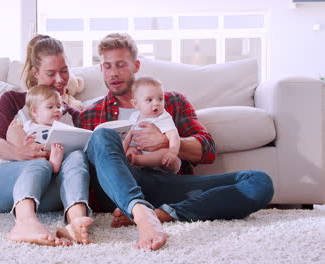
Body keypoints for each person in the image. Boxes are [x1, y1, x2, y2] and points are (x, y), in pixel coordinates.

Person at [80, 33, 274, 251]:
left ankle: (163, 214)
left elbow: (207, 149)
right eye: (107, 66)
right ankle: (140, 212)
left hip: (168, 184)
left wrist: (165, 142)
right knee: (102, 135)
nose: (113, 73)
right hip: (117, 191)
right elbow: (83, 169)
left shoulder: (171, 101)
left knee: (259, 181)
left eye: (121, 65)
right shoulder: (90, 114)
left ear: (136, 65)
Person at [0, 35, 93, 247]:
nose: (60, 80)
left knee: (77, 155)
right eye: (51, 74)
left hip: (49, 194)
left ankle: (75, 222)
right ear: (35, 72)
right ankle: (24, 223)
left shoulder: (69, 113)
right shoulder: (13, 100)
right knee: (38, 161)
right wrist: (22, 153)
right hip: (2, 186)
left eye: (64, 71)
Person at [122, 76, 181, 173]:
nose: (156, 103)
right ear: (136, 104)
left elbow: (173, 135)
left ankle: (137, 160)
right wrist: (121, 152)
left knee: (164, 153)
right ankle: (132, 160)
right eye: (149, 100)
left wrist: (172, 152)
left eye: (160, 99)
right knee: (130, 150)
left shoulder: (163, 117)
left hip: (157, 155)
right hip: (139, 150)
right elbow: (127, 137)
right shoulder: (134, 117)